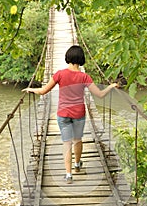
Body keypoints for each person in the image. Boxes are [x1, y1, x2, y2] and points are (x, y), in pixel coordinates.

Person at [22, 45, 117, 184]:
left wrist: (31, 89)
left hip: (63, 114)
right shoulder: (84, 77)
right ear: (81, 59)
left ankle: (68, 174)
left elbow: (43, 91)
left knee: (66, 143)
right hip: (79, 113)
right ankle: (77, 164)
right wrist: (110, 86)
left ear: (68, 57)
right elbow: (100, 95)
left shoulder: (60, 74)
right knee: (77, 139)